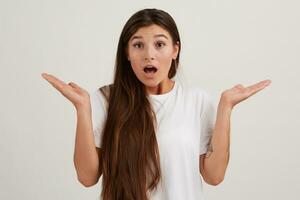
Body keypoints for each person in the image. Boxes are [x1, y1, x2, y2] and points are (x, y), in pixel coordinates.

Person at [42, 8, 271, 200]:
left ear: (175, 50)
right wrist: (82, 108)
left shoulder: (197, 101)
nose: (149, 55)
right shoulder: (105, 99)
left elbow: (214, 175)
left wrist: (226, 107)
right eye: (138, 45)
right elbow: (87, 177)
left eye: (159, 44)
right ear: (127, 53)